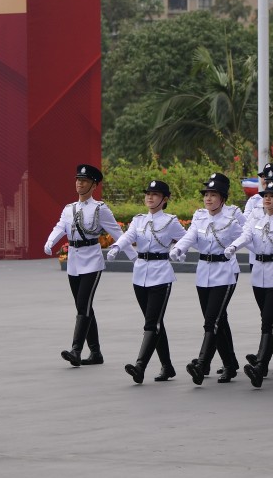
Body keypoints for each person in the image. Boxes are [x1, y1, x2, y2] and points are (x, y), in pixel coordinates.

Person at [226, 169, 273, 387]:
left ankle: (260, 366)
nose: (267, 199)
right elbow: (246, 235)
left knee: (268, 321)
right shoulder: (256, 218)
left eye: (272, 196)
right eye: (265, 196)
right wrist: (234, 246)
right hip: (259, 273)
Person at [106, 180, 187, 383]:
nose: (150, 197)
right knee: (155, 323)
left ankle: (140, 366)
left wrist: (180, 251)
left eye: (155, 194)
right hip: (140, 274)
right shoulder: (139, 220)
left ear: (165, 199)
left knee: (152, 323)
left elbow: (187, 238)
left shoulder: (170, 222)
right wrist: (116, 246)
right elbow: (129, 236)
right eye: (148, 194)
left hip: (161, 274)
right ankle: (167, 367)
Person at [170, 173, 246, 385]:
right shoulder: (200, 216)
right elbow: (191, 235)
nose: (208, 199)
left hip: (225, 271)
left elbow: (247, 236)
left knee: (211, 320)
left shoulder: (231, 217)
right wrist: (179, 248)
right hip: (204, 272)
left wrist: (235, 248)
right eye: (206, 195)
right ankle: (230, 364)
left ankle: (202, 364)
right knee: (218, 319)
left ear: (223, 198)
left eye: (213, 195)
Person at [44, 164, 123, 367]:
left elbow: (118, 234)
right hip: (74, 261)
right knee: (84, 306)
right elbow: (60, 227)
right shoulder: (69, 209)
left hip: (92, 260)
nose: (80, 183)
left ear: (93, 185)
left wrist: (135, 256)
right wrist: (50, 242)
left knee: (83, 306)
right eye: (78, 180)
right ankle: (96, 353)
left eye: (85, 181)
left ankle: (76, 350)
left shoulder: (100, 209)